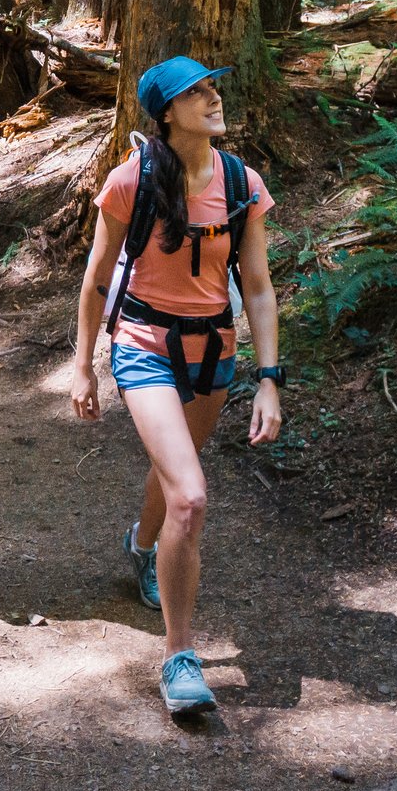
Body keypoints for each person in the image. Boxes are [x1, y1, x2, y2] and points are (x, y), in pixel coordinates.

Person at [70, 55, 283, 717]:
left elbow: (256, 285)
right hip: (144, 347)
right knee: (190, 495)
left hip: (213, 350)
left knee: (173, 474)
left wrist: (269, 378)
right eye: (195, 91)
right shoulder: (130, 181)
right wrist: (82, 364)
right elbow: (98, 277)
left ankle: (140, 547)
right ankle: (180, 658)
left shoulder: (242, 182)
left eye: (213, 84)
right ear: (166, 112)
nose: (212, 96)